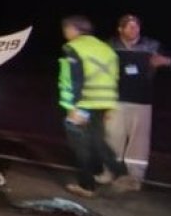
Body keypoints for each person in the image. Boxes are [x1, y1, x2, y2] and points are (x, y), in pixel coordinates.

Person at [58, 15, 135, 197]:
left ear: (73, 29)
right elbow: (114, 77)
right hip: (104, 102)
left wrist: (72, 106)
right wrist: (110, 105)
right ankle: (121, 173)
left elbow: (73, 80)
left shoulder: (74, 48)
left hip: (83, 103)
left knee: (80, 144)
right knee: (97, 140)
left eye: (66, 29)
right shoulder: (106, 49)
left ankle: (87, 186)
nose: (65, 33)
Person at [102, 14, 171, 185]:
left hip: (142, 101)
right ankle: (109, 172)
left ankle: (134, 177)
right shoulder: (110, 45)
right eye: (129, 26)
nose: (134, 29)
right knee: (112, 137)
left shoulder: (151, 45)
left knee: (139, 141)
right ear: (120, 29)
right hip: (115, 100)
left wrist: (165, 61)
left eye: (136, 26)